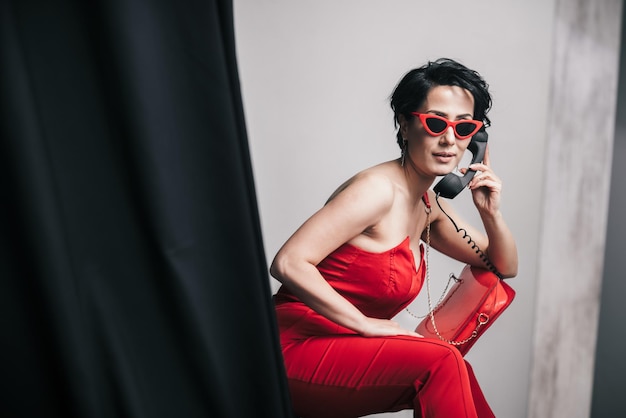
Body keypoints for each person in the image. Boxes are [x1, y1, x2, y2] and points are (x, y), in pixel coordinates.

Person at [270, 58, 518, 418]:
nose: (450, 139)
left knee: (454, 366)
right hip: (291, 348)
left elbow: (504, 266)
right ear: (404, 124)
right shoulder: (377, 190)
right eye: (435, 123)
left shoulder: (427, 205)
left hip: (342, 349)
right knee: (442, 363)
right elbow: (288, 262)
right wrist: (365, 324)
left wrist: (489, 212)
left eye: (464, 128)